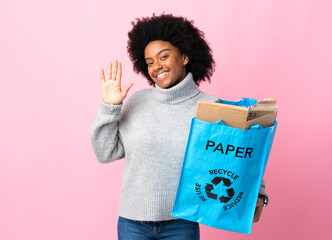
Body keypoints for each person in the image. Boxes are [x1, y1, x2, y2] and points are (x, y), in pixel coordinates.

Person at [90, 13, 268, 240]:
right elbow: (105, 153)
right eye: (150, 62)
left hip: (181, 224)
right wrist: (109, 107)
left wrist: (260, 193)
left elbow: (240, 154)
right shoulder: (138, 101)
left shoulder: (210, 106)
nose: (156, 66)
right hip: (132, 223)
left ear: (184, 56)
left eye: (163, 56)